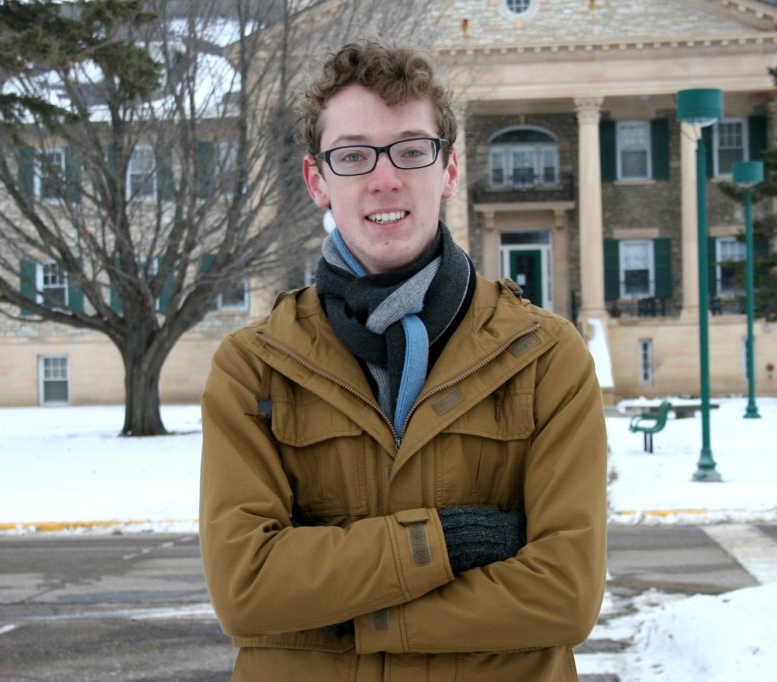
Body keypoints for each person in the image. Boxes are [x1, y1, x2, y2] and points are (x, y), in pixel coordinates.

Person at [200, 39, 608, 681]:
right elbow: (246, 589)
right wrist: (445, 543)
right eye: (354, 155)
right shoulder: (254, 368)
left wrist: (357, 615)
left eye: (412, 150)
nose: (385, 178)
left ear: (449, 169)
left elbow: (565, 593)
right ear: (317, 181)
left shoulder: (546, 357)